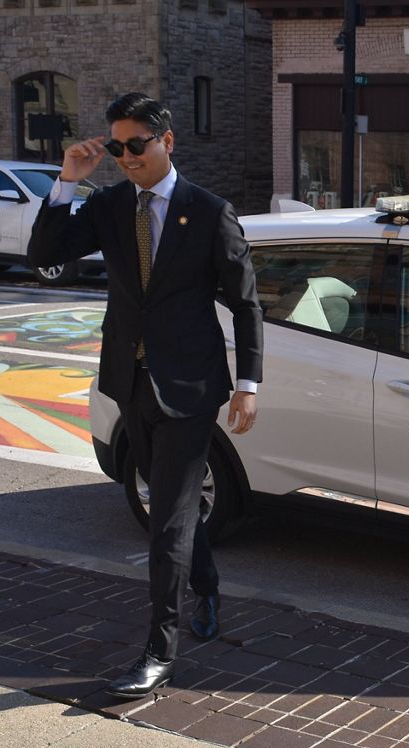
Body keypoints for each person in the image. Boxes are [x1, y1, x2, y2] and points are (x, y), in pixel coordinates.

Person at [28, 92, 263, 699]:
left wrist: (248, 384)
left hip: (189, 388)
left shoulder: (209, 212)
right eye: (117, 147)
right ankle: (206, 584)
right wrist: (66, 182)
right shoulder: (106, 206)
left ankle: (160, 651)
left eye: (138, 144)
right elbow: (44, 255)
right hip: (130, 382)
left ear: (168, 142)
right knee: (173, 506)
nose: (127, 157)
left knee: (165, 521)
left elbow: (245, 303)